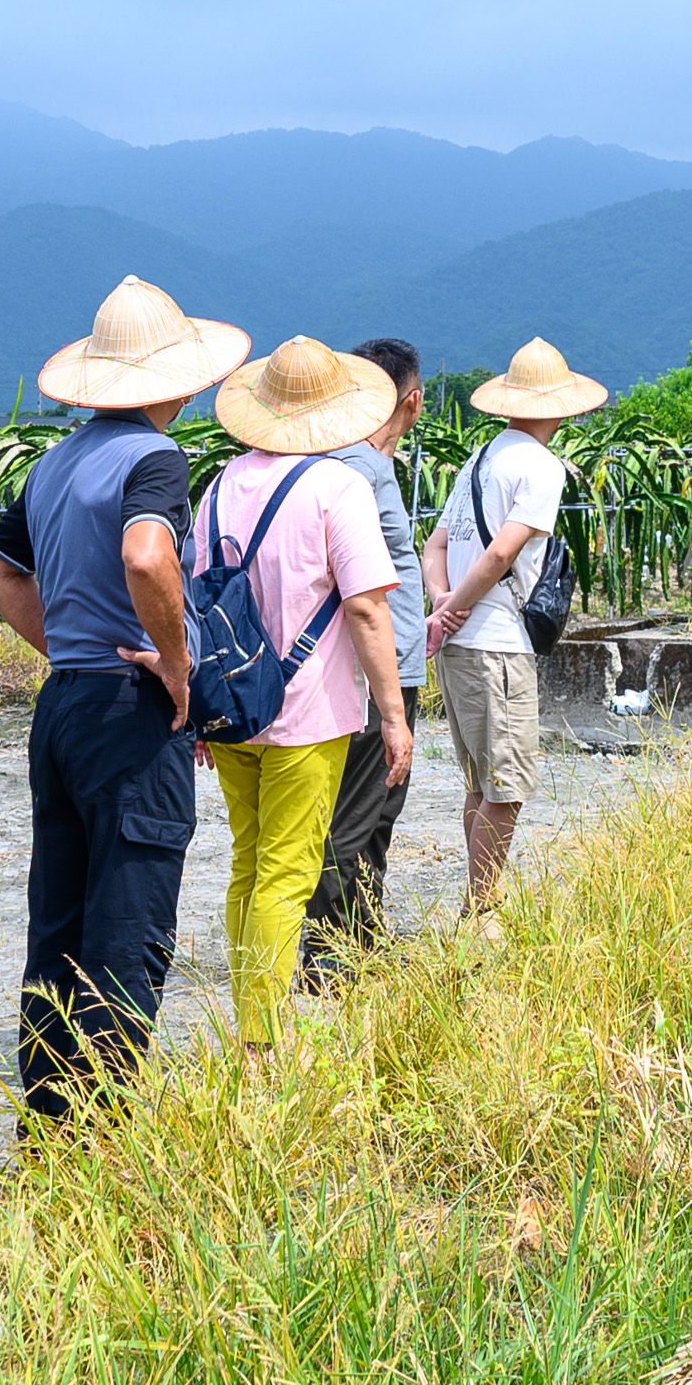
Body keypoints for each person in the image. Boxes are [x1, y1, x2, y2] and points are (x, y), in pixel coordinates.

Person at [0, 276, 241, 1115]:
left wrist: (65, 645)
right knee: (127, 925)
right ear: (176, 379)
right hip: (130, 711)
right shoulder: (156, 458)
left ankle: (52, 1120)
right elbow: (145, 557)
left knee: (57, 921)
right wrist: (176, 662)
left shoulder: (54, 462)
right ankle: (106, 1129)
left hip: (64, 706)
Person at [190, 335, 411, 1045]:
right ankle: (260, 1041)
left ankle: (250, 1014)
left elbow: (196, 593)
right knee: (288, 872)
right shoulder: (337, 487)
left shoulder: (220, 484)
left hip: (232, 707)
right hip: (309, 711)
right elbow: (369, 607)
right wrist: (394, 716)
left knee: (248, 862)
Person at [421, 336, 603, 914]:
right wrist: (458, 607)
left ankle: (480, 907)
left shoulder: (479, 461)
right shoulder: (541, 466)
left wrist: (443, 603)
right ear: (561, 406)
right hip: (497, 646)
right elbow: (502, 554)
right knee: (509, 789)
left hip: (459, 646)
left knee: (481, 785)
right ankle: (482, 913)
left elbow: (435, 545)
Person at [298, 337, 430, 986]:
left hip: (380, 664)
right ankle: (325, 959)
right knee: (354, 814)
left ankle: (365, 938)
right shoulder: (362, 471)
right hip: (378, 671)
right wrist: (392, 703)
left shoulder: (343, 462)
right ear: (411, 399)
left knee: (376, 810)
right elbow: (367, 597)